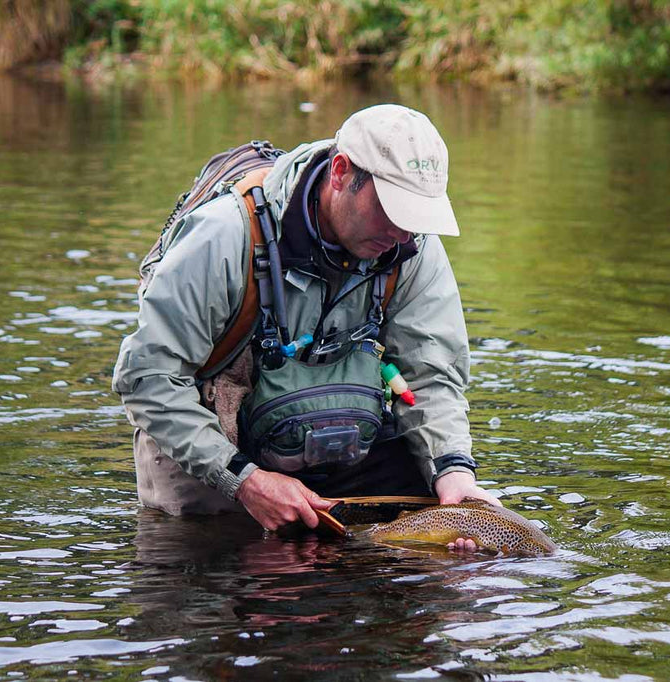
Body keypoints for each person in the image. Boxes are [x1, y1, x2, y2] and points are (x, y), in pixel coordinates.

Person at [112, 104, 500, 545]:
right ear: (340, 172)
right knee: (210, 577)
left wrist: (452, 471)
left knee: (429, 560)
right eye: (393, 209)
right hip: (213, 445)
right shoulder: (224, 236)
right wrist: (244, 480)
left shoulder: (408, 243)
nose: (403, 235)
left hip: (343, 444)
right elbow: (147, 379)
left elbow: (431, 377)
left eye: (416, 217)